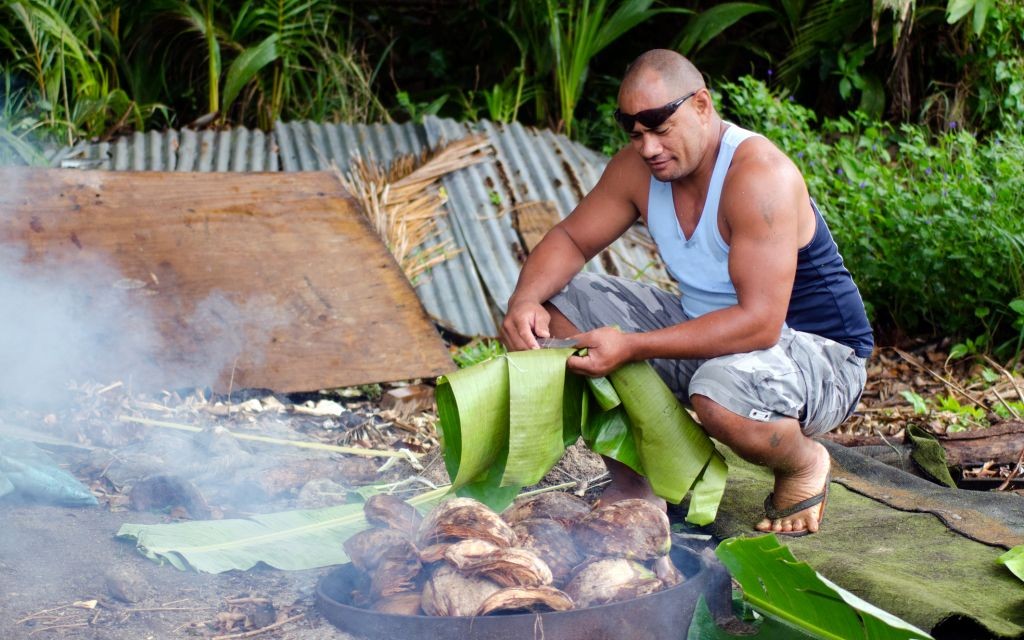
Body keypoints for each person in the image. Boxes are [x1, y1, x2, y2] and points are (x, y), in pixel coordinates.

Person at [500, 49, 873, 537]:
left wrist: (632, 345)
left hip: (820, 357)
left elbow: (760, 323)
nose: (649, 147)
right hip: (715, 341)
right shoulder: (637, 171)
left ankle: (803, 462)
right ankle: (640, 483)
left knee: (718, 391)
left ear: (701, 105)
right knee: (558, 312)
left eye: (661, 129)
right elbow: (571, 239)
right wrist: (523, 302)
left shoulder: (760, 176)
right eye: (636, 134)